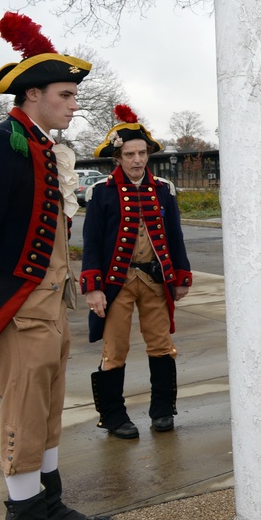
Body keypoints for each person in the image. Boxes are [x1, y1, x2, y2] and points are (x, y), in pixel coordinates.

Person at [0, 12, 112, 520]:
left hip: (50, 303)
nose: (74, 104)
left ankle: (49, 507)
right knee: (24, 416)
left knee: (47, 412)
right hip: (17, 307)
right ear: (33, 95)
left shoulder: (43, 145)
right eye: (66, 94)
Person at [81, 105, 193, 439]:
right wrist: (93, 287)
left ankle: (163, 410)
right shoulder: (100, 192)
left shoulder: (163, 189)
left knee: (161, 346)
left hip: (155, 281)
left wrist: (181, 276)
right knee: (114, 350)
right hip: (117, 284)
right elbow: (92, 244)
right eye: (130, 154)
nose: (137, 160)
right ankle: (113, 416)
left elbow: (175, 236)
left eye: (142, 153)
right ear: (118, 157)